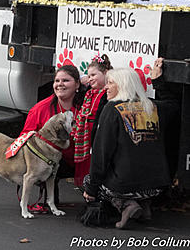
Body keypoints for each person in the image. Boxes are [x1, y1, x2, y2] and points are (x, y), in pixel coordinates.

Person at [83, 58, 179, 229]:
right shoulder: (153, 107)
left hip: (124, 186)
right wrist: (158, 81)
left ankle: (126, 204)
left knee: (89, 180)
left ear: (122, 85)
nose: (106, 87)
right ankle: (144, 204)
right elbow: (173, 104)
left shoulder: (112, 110)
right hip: (157, 187)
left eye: (110, 83)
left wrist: (91, 189)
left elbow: (101, 155)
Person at [20, 65, 86, 204]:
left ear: (77, 84)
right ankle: (49, 199)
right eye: (57, 81)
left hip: (82, 158)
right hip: (51, 160)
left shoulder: (86, 106)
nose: (60, 84)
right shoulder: (40, 109)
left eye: (66, 81)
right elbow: (24, 138)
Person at [72, 54, 113, 186]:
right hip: (87, 131)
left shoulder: (107, 93)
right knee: (86, 161)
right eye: (89, 76)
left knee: (96, 159)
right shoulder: (90, 93)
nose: (90, 79)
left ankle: (95, 188)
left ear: (106, 73)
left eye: (93, 75)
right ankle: (86, 187)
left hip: (97, 130)